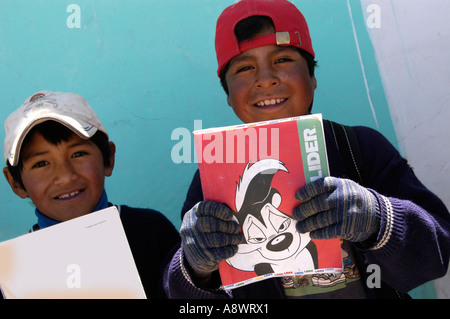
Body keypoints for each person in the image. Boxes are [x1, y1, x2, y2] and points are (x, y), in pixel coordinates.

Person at [163, 0, 450, 299]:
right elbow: (186, 298)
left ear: (312, 78)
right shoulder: (214, 178)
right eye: (245, 67)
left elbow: (437, 255)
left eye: (283, 59)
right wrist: (195, 266)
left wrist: (375, 218)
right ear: (228, 96)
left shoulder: (360, 148)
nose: (265, 79)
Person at [2, 90, 180, 299]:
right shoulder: (12, 272)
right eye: (41, 163)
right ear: (15, 183)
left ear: (109, 158)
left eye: (78, 154)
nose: (66, 176)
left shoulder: (151, 232)